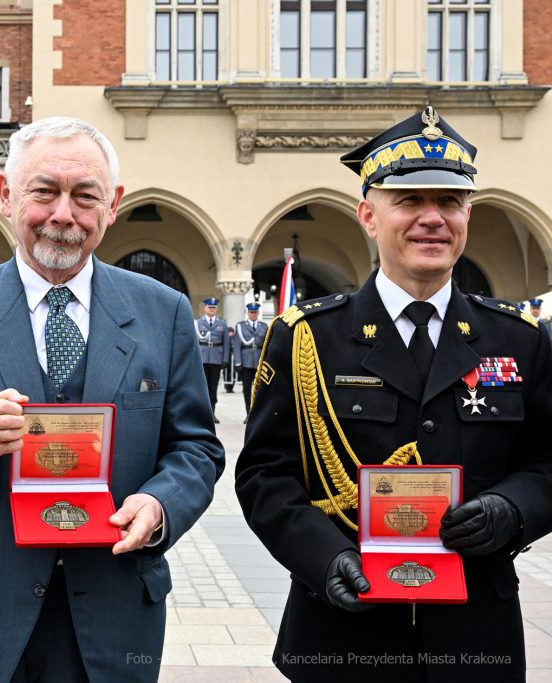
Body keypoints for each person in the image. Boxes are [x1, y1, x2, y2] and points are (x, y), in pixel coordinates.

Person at [0, 116, 223, 683]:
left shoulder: (163, 313)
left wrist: (162, 504)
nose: (63, 214)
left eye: (84, 196)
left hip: (116, 609)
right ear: (7, 194)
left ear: (111, 205)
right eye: (44, 192)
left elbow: (197, 449)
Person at [235, 106, 552, 682]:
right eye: (409, 201)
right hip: (343, 628)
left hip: (476, 632)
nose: (433, 218)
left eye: (449, 202)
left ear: (468, 216)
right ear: (368, 215)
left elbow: (547, 460)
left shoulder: (520, 339)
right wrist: (323, 558)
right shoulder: (306, 337)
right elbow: (264, 474)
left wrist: (513, 510)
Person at [232, 302, 268, 424]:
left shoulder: (264, 327)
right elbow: (236, 345)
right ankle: (249, 414)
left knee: (259, 390)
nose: (253, 314)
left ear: (258, 313)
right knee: (247, 389)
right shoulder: (241, 326)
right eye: (251, 312)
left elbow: (266, 346)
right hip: (246, 362)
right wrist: (237, 362)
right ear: (248, 313)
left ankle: (258, 415)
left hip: (259, 362)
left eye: (255, 312)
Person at [195, 298, 228, 423]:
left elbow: (226, 343)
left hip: (216, 358)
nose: (212, 309)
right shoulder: (198, 323)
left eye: (214, 307)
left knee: (213, 387)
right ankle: (202, 414)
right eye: (210, 307)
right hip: (202, 358)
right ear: (205, 308)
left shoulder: (222, 323)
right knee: (201, 387)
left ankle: (212, 413)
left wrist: (225, 359)